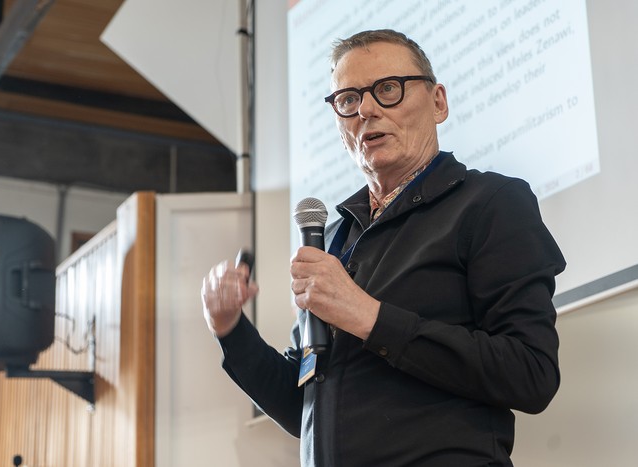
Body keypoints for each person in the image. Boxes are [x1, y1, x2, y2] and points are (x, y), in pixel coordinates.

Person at [201, 29, 565, 467]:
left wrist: (370, 318)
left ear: (438, 102)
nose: (367, 109)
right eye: (348, 100)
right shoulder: (334, 239)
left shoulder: (490, 203)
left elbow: (530, 374)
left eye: (388, 89)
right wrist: (230, 329)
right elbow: (307, 412)